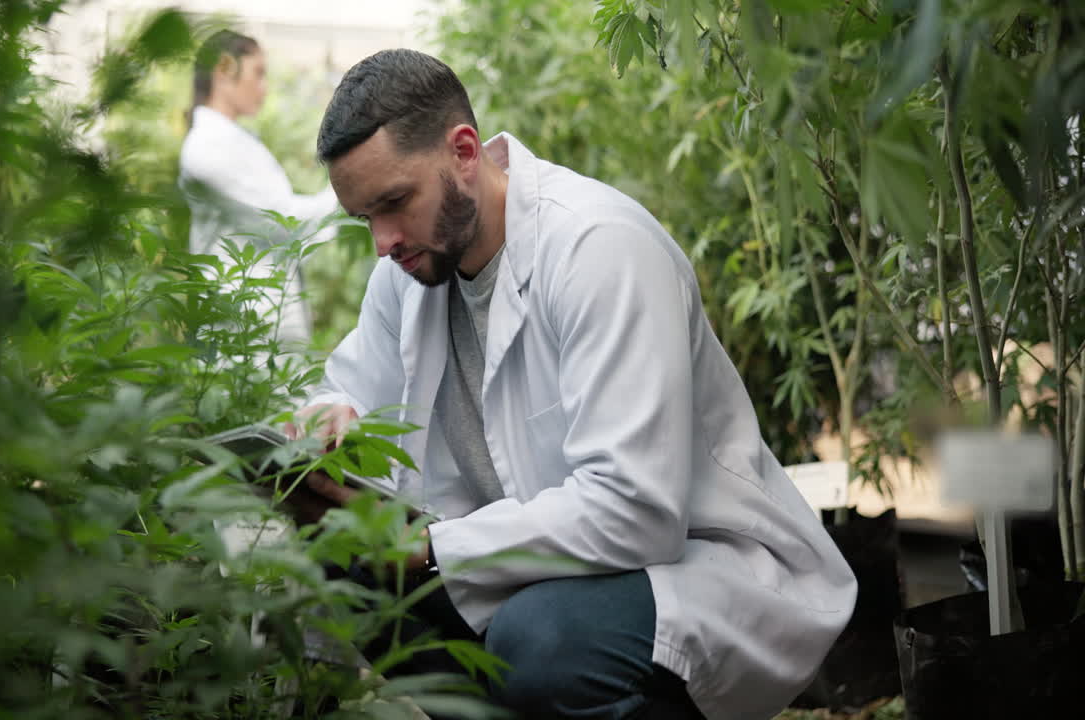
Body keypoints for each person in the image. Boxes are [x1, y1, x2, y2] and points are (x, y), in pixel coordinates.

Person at [288, 49, 857, 720]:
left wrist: (429, 547)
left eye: (394, 203)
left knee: (541, 642)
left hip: (693, 565)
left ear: (464, 151)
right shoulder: (409, 272)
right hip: (540, 569)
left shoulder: (598, 249)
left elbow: (636, 513)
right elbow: (348, 386)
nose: (382, 241)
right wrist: (326, 421)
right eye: (365, 219)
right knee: (348, 572)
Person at [179, 30, 337, 349]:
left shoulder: (234, 140)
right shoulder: (207, 147)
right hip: (241, 332)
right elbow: (281, 219)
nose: (264, 87)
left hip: (262, 325)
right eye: (258, 73)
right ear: (224, 70)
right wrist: (346, 191)